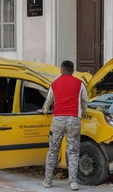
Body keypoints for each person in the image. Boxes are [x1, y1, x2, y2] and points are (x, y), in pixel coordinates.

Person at [39, 60, 88, 191]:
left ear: (61, 70)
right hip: (74, 119)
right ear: (73, 70)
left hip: (58, 120)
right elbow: (85, 101)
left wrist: (44, 110)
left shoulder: (55, 83)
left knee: (53, 150)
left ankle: (47, 181)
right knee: (73, 151)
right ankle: (73, 182)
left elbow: (48, 101)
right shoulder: (80, 84)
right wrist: (82, 112)